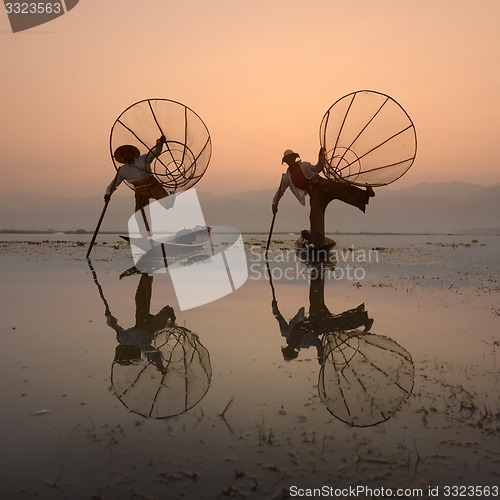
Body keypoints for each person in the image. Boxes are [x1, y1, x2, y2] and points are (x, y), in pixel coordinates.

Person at [272, 148, 375, 248]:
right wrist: (275, 203)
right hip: (314, 193)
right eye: (288, 159)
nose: (290, 160)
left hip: (322, 184)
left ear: (294, 158)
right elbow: (280, 191)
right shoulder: (286, 177)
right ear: (286, 161)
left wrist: (321, 156)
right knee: (315, 216)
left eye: (291, 158)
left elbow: (318, 168)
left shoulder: (304, 165)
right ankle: (318, 241)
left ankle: (366, 194)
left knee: (342, 189)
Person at [104, 135, 169, 213]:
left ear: (131, 153)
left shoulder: (143, 159)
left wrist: (160, 143)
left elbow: (156, 152)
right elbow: (113, 184)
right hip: (140, 190)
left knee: (168, 203)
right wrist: (108, 194)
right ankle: (144, 225)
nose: (126, 155)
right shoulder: (123, 170)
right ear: (122, 157)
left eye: (127, 152)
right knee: (141, 213)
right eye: (123, 154)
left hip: (153, 185)